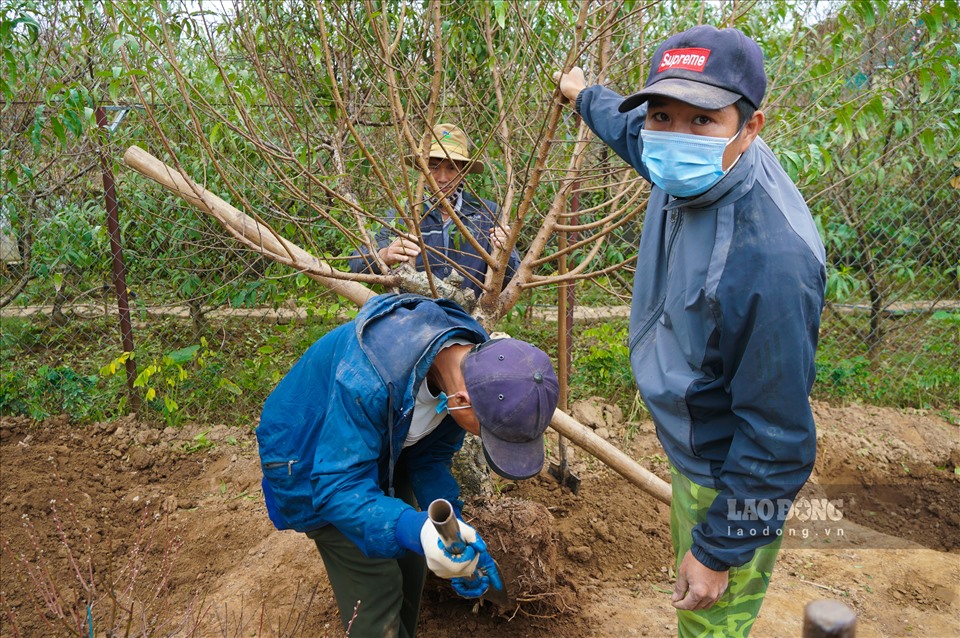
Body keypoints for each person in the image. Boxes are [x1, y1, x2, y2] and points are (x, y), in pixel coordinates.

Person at [554, 25, 826, 637]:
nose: (674, 137)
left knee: (709, 626)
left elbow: (778, 440)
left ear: (750, 128)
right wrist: (582, 94)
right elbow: (634, 133)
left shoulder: (770, 263)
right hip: (696, 440)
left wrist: (717, 551)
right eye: (663, 115)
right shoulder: (687, 164)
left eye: (702, 121)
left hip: (728, 473)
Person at [256, 292, 559, 637]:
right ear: (461, 402)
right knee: (378, 583)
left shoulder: (476, 366)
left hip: (379, 448)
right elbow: (337, 487)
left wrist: (451, 530)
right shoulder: (369, 379)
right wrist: (418, 530)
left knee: (413, 564)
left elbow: (429, 456)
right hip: (312, 460)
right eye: (486, 433)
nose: (482, 439)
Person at [349, 123, 520, 298]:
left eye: (452, 167)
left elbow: (513, 278)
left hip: (468, 320)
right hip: (413, 317)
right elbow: (356, 263)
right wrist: (384, 255)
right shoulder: (404, 213)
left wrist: (505, 255)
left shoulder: (487, 213)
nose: (442, 178)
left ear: (463, 170)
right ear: (422, 169)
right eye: (434, 166)